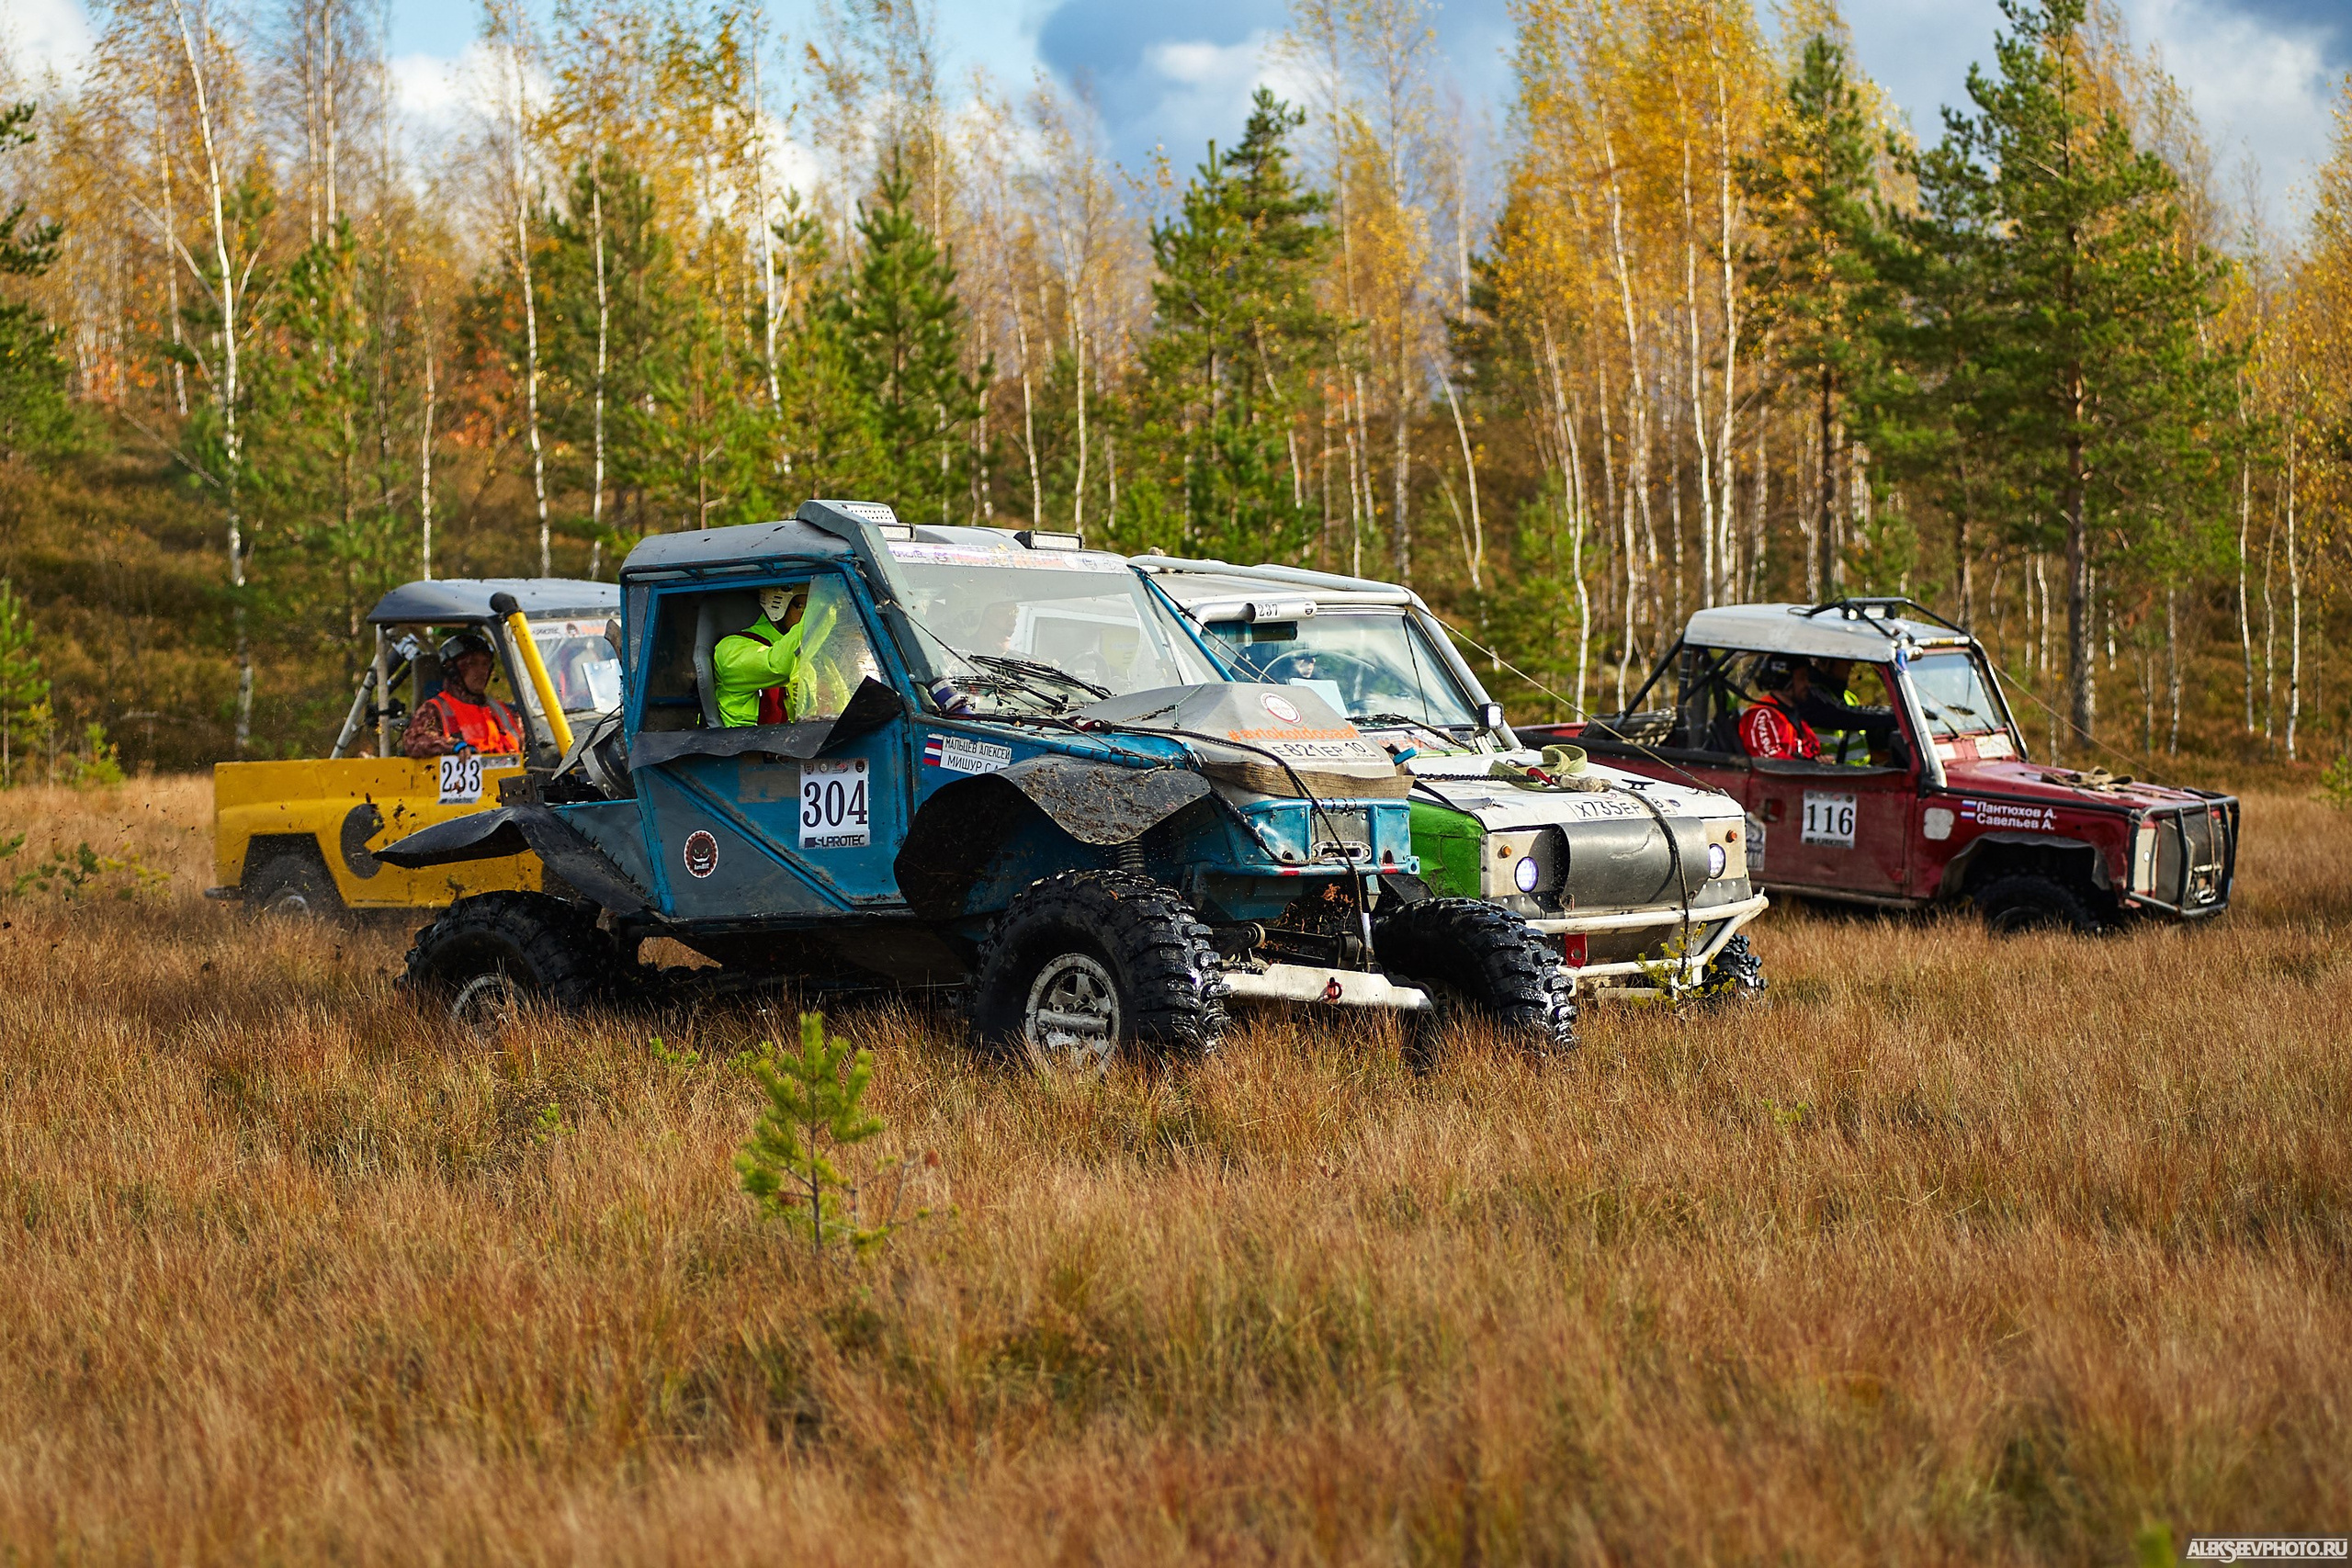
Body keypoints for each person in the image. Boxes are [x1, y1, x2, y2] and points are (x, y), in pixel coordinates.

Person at [714, 585, 836, 727]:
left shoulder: (813, 653)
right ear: (778, 606)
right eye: (804, 608)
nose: (807, 617)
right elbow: (779, 665)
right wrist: (823, 604)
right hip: (746, 739)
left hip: (795, 737)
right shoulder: (730, 649)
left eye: (811, 609)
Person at [401, 630, 525, 758]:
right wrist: (452, 746)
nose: (482, 671)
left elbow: (529, 744)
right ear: (452, 669)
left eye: (485, 664)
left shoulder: (503, 711)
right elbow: (414, 741)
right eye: (472, 663)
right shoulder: (434, 709)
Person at [1739, 655, 1824, 761]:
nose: (1807, 684)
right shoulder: (1763, 715)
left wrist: (1818, 761)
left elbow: (1811, 749)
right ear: (1785, 681)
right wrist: (1804, 766)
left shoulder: (1793, 717)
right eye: (1802, 678)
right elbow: (1767, 761)